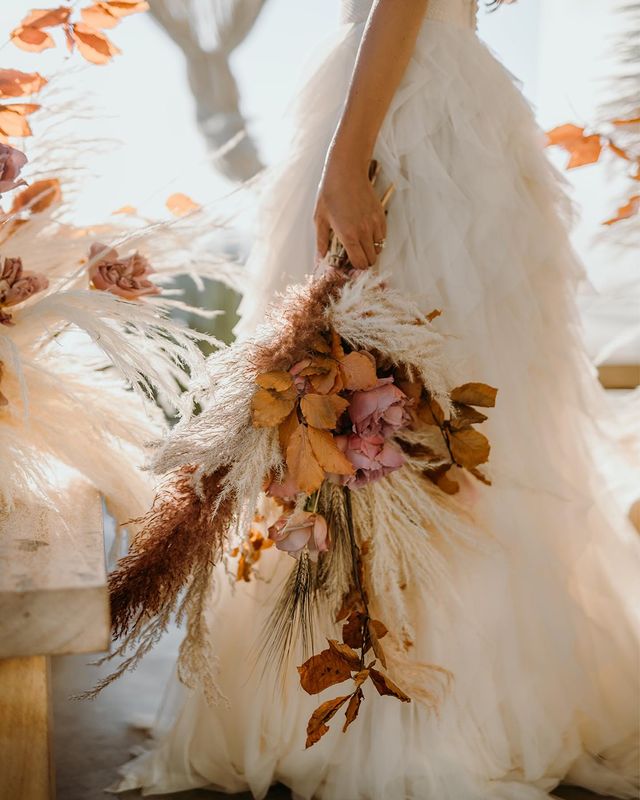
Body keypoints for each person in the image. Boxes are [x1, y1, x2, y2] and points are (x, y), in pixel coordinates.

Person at [115, 1, 640, 798]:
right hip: (421, 95)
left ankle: (410, 707)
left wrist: (349, 154)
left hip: (401, 112)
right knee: (372, 398)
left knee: (389, 395)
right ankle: (437, 691)